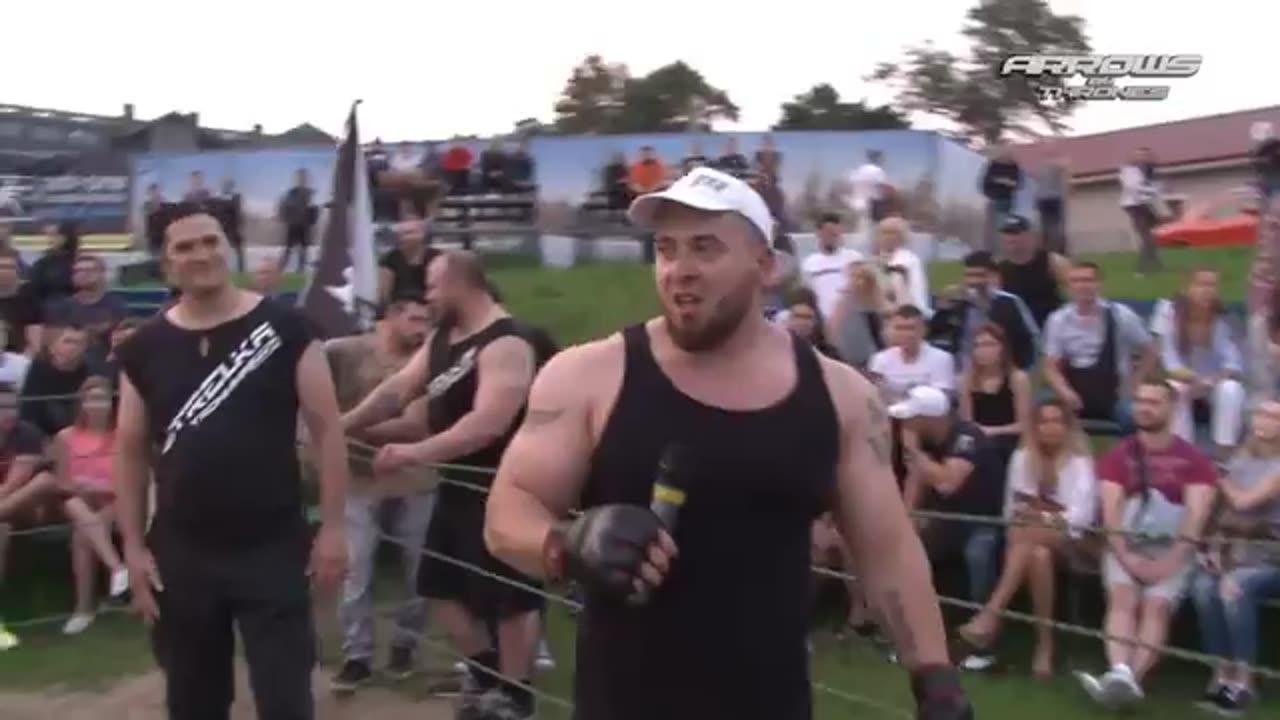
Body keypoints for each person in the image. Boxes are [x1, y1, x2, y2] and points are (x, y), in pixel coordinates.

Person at [482, 166, 971, 720]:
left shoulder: (842, 398)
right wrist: (565, 543)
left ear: (765, 267)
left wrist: (934, 677)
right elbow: (506, 512)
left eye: (705, 249)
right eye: (666, 249)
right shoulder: (589, 375)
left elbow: (888, 551)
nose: (679, 271)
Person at [114, 205, 348, 720]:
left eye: (210, 241)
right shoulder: (141, 347)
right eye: (184, 247)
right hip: (182, 551)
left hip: (272, 545)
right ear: (165, 262)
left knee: (286, 699)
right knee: (193, 701)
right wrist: (131, 547)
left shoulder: (287, 328)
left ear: (229, 245)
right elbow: (129, 451)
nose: (201, 254)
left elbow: (328, 431)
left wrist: (333, 527)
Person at [341, 250, 544, 720]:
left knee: (511, 597)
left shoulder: (506, 342)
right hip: (457, 485)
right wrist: (342, 423)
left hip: (508, 484)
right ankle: (488, 675)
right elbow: (396, 392)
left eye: (433, 287)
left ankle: (516, 698)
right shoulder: (444, 340)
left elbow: (487, 424)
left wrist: (415, 453)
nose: (428, 297)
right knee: (439, 585)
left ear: (460, 284)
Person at [1076, 379, 1216, 709]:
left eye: (1154, 402)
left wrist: (1170, 561)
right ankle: (1121, 672)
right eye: (1140, 401)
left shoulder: (1194, 460)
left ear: (1172, 408)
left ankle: (1129, 680)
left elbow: (1196, 517)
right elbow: (1111, 514)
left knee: (1156, 605)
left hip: (1174, 547)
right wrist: (1125, 556)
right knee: (1122, 598)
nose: (1145, 407)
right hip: (1125, 544)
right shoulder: (1118, 456)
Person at [325, 296, 436, 692]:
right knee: (357, 570)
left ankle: (405, 645)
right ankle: (357, 655)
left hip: (416, 477)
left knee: (418, 571)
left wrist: (344, 428)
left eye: (427, 320)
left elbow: (416, 427)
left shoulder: (428, 360)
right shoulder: (346, 351)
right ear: (390, 317)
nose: (422, 328)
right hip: (357, 480)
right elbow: (308, 382)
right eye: (414, 318)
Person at [957, 399, 1098, 678]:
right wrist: (1048, 514)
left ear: (1067, 427)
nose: (1050, 428)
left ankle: (991, 615)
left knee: (1028, 536)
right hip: (1032, 541)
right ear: (1034, 427)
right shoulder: (1023, 458)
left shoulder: (1080, 463)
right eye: (1043, 421)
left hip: (1074, 543)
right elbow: (1012, 511)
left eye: (1057, 421)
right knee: (1037, 555)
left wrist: (1040, 515)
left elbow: (1080, 518)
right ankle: (1044, 646)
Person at [893, 385, 1007, 671]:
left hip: (984, 519)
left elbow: (946, 483)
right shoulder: (927, 442)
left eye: (911, 417)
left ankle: (986, 644)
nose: (905, 423)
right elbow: (915, 483)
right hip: (947, 518)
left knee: (978, 555)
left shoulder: (966, 437)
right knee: (912, 554)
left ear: (931, 417)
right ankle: (921, 641)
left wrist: (913, 452)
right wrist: (905, 524)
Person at [1191, 401, 1280, 715]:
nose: (1264, 421)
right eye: (1260, 413)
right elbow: (1222, 510)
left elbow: (1243, 503)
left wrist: (1218, 475)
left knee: (1234, 587)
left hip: (1272, 555)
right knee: (1202, 589)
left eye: (1273, 416)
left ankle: (1244, 682)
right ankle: (1221, 674)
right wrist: (1211, 548)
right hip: (1236, 548)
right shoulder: (1243, 460)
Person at [1042, 261, 1156, 431]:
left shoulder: (1121, 315)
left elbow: (1150, 351)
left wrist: (1134, 383)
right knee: (1038, 413)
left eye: (1088, 280)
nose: (1083, 286)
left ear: (1099, 284)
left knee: (1135, 417)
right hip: (1073, 395)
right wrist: (1064, 391)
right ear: (1068, 287)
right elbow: (1050, 366)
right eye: (1076, 281)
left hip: (1115, 396)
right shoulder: (1058, 320)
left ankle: (1130, 457)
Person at [55, 376, 129, 635]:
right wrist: (84, 487)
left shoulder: (122, 434)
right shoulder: (65, 437)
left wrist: (99, 488)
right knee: (77, 506)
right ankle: (117, 569)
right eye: (93, 399)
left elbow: (129, 482)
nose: (99, 405)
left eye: (104, 399)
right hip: (79, 501)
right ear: (82, 403)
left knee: (81, 536)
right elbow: (62, 483)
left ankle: (85, 607)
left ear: (112, 403)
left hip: (115, 503)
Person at [1151, 268, 1245, 458]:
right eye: (1201, 284)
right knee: (1175, 389)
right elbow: (1168, 359)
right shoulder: (1168, 312)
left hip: (1213, 383)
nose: (1207, 290)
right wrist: (1192, 379)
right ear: (1187, 287)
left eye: (1212, 285)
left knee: (1231, 389)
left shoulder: (1224, 318)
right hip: (1182, 380)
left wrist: (1209, 381)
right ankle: (1182, 454)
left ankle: (1223, 453)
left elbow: (1234, 363)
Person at [0, 381, 47, 651]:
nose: (9, 413)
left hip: (28, 508)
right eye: (2, 408)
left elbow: (14, 484)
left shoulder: (26, 433)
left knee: (42, 481)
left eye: (12, 406)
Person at [996, 214, 1068, 331]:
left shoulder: (1051, 261)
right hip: (1017, 332)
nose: (1012, 238)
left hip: (1050, 328)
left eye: (1016, 233)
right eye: (1007, 234)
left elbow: (1074, 288)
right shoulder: (999, 269)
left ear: (1029, 235)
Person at [799, 213, 861, 320]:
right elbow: (806, 294)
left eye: (835, 234)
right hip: (820, 319)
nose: (833, 238)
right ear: (819, 233)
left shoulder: (854, 258)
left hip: (849, 318)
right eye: (829, 234)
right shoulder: (809, 263)